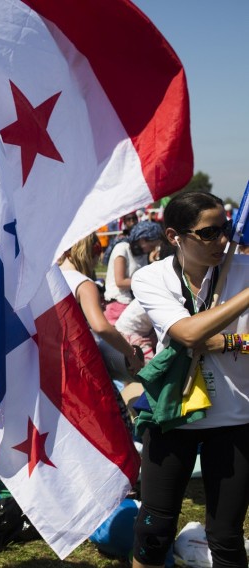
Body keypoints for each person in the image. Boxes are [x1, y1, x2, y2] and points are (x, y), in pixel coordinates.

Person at [130, 192, 249, 568]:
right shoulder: (151, 276)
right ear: (173, 235)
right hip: (172, 414)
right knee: (153, 530)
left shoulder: (243, 269)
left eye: (225, 230)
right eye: (209, 233)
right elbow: (188, 334)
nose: (222, 241)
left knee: (226, 537)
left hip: (236, 418)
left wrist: (230, 341)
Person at [58, 234, 144, 380]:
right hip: (81, 362)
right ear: (89, 252)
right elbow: (101, 327)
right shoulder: (84, 285)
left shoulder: (51, 278)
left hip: (55, 360)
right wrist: (130, 353)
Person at [103, 220, 163, 324]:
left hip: (132, 303)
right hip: (119, 303)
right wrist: (150, 282)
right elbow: (120, 282)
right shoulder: (122, 248)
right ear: (143, 240)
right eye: (152, 246)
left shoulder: (143, 254)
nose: (152, 250)